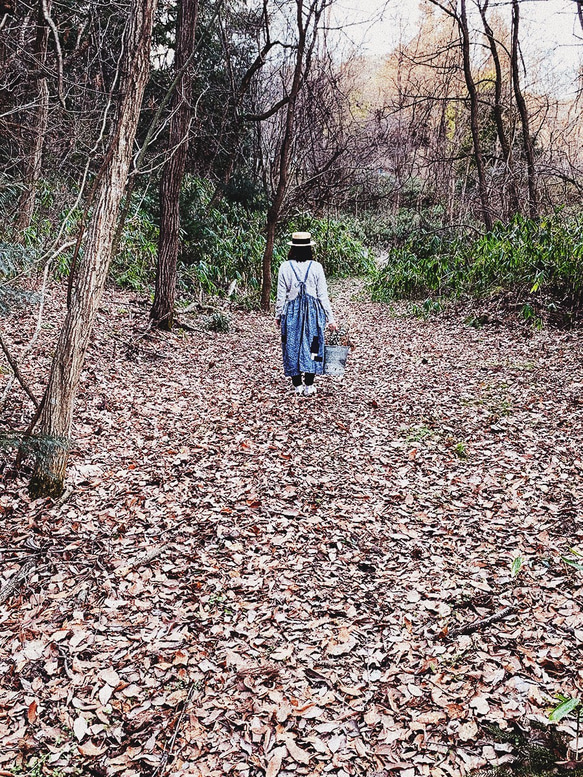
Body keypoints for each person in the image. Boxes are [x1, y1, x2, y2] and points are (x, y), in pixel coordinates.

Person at [275, 231, 337, 396]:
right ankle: (309, 385)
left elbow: (281, 295)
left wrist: (278, 314)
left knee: (291, 345)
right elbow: (323, 295)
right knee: (314, 345)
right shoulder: (316, 267)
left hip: (291, 312)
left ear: (292, 248)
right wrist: (330, 318)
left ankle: (297, 385)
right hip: (313, 312)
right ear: (309, 248)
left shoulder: (285, 267)